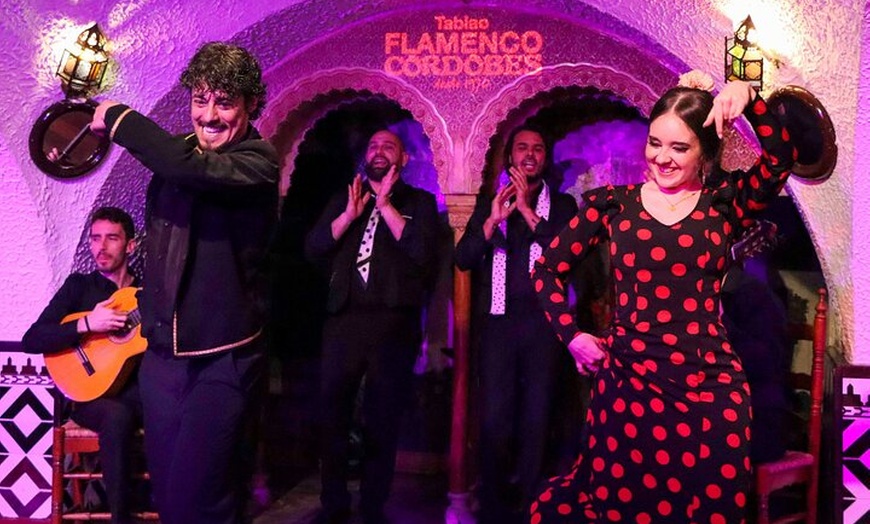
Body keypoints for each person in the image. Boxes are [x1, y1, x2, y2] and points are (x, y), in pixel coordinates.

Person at [528, 74, 795, 523]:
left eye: (679, 148)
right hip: (628, 387)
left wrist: (749, 97)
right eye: (655, 143)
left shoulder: (726, 204)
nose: (661, 158)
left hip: (709, 394)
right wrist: (572, 336)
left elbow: (782, 158)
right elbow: (546, 270)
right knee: (622, 509)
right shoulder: (611, 204)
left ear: (706, 153)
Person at [89, 42, 278, 524]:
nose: (209, 116)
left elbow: (189, 169)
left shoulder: (258, 160)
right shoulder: (180, 156)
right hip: (163, 362)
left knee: (204, 503)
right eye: (200, 100)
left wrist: (120, 119)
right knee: (171, 502)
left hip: (223, 360)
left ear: (251, 104)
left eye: (224, 102)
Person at [305, 129, 439, 524]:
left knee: (382, 416)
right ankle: (333, 503)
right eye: (373, 146)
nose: (379, 152)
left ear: (404, 159)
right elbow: (312, 249)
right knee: (332, 413)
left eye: (389, 147)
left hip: (392, 322)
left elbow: (423, 256)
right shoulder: (346, 198)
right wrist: (349, 214)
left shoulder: (420, 202)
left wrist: (386, 207)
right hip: (344, 320)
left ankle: (372, 505)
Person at [455, 124, 577, 523]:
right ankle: (492, 506)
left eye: (537, 149)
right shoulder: (491, 203)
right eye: (521, 148)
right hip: (498, 328)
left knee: (538, 416)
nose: (529, 155)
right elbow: (464, 259)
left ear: (546, 158)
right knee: (494, 419)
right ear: (510, 158)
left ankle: (531, 507)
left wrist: (526, 211)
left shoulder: (562, 208)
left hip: (544, 328)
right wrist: (492, 222)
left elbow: (567, 257)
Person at [23, 206, 142, 524]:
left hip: (136, 392)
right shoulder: (79, 287)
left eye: (112, 238)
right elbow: (32, 339)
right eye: (95, 238)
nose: (100, 247)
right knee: (117, 415)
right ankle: (121, 519)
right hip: (88, 396)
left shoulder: (147, 295)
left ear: (130, 245)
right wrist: (88, 323)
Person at [720, 256, 791, 464]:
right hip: (715, 412)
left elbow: (768, 363)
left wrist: (723, 321)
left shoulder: (756, 294)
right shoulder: (694, 297)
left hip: (757, 420)